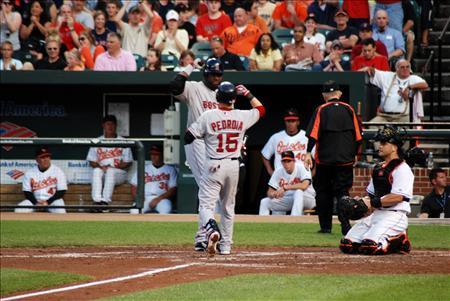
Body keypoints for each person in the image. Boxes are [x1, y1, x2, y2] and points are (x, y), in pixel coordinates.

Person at [185, 81, 265, 255]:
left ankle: (211, 228)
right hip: (233, 165)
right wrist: (248, 94)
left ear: (217, 97)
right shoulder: (241, 115)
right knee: (228, 207)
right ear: (234, 99)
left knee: (206, 206)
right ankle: (226, 246)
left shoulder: (209, 115)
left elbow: (188, 137)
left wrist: (206, 136)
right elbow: (261, 110)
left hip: (213, 163)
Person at [170, 57, 224, 251]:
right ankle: (205, 233)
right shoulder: (193, 87)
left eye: (219, 74)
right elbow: (174, 85)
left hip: (216, 145)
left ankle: (202, 235)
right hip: (197, 141)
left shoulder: (222, 94)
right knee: (208, 187)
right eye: (213, 74)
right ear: (206, 73)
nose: (217, 77)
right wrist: (191, 65)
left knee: (210, 189)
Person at [340, 126, 413, 255]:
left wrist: (372, 203)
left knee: (371, 246)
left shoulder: (402, 168)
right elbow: (371, 195)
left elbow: (397, 197)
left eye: (384, 143)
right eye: (380, 143)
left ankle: (400, 239)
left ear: (394, 147)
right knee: (347, 245)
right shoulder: (378, 168)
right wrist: (361, 204)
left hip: (395, 215)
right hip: (377, 214)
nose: (380, 146)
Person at [305, 80, 362, 235]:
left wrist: (308, 152)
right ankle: (345, 224)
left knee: (323, 193)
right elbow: (358, 136)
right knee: (343, 193)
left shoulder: (321, 109)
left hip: (325, 160)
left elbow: (313, 134)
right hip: (345, 160)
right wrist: (356, 154)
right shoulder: (349, 109)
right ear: (339, 94)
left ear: (324, 95)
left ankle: (325, 227)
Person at [86, 115, 133, 209]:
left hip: (119, 174)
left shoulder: (123, 141)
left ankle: (105, 202)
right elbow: (91, 161)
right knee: (96, 171)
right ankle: (97, 201)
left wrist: (113, 167)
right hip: (103, 172)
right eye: (108, 124)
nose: (110, 126)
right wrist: (100, 167)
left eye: (112, 124)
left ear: (116, 126)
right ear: (103, 126)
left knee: (111, 171)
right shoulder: (97, 141)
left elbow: (128, 162)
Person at [365, 59, 428, 124]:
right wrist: (369, 68)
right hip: (384, 116)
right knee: (372, 125)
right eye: (402, 67)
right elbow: (373, 71)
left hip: (402, 116)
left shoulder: (413, 78)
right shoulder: (388, 76)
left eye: (407, 67)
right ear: (396, 69)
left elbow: (425, 85)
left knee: (409, 126)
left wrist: (409, 87)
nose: (405, 69)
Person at [259, 150, 315, 216]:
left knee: (298, 192)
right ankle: (263, 224)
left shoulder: (302, 167)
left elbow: (304, 185)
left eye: (289, 161)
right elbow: (269, 191)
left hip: (308, 198)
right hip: (290, 199)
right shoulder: (278, 171)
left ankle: (294, 220)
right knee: (264, 202)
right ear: (281, 162)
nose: (286, 164)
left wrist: (285, 188)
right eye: (284, 161)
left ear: (294, 161)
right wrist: (273, 194)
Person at [15, 147, 67, 214]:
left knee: (61, 211)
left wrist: (47, 202)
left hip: (52, 201)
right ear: (37, 160)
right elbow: (27, 192)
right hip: (34, 201)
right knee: (18, 210)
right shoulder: (30, 172)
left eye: (47, 157)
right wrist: (35, 203)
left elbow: (61, 191)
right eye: (42, 157)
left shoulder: (58, 171)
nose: (46, 160)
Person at [130, 145, 177, 214]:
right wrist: (139, 199)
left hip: (162, 199)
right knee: (134, 212)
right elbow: (134, 186)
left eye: (156, 154)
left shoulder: (170, 169)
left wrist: (159, 199)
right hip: (145, 198)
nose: (153, 156)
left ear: (162, 155)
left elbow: (172, 189)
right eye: (152, 154)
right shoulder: (143, 168)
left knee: (166, 210)